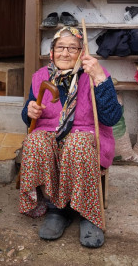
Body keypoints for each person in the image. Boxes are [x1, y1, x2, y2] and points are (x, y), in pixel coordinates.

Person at [19, 27, 122, 248]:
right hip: (50, 133)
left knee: (76, 145)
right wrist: (29, 111)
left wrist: (100, 78)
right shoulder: (40, 76)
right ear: (51, 51)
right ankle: (57, 210)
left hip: (87, 134)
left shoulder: (93, 73)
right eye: (60, 47)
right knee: (35, 141)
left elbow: (112, 117)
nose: (65, 53)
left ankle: (88, 215)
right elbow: (29, 116)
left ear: (81, 52)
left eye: (72, 48)